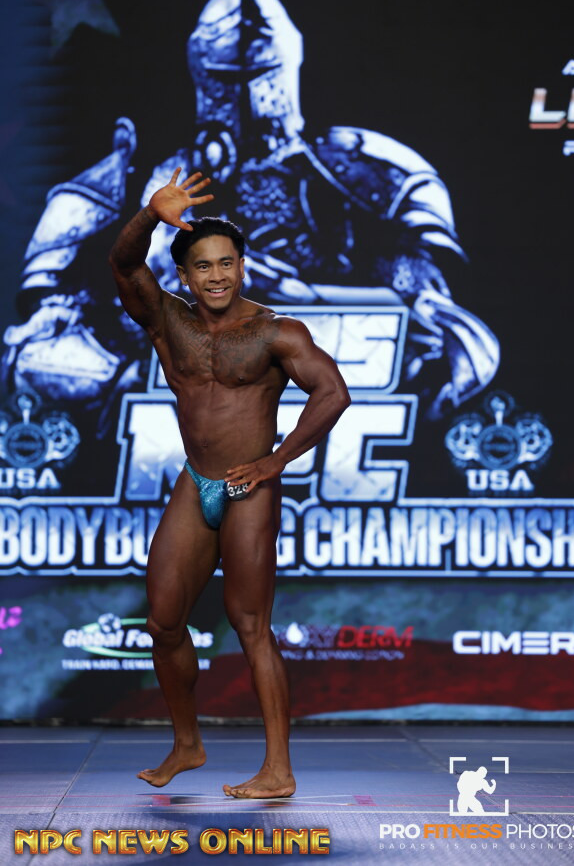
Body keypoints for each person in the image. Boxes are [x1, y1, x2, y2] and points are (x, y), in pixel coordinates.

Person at [108, 167, 351, 799]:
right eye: (203, 267)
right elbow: (124, 262)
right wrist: (149, 214)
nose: (216, 276)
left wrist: (276, 461)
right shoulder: (168, 320)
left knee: (249, 625)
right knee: (163, 621)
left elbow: (333, 392)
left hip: (250, 488)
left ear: (242, 267)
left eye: (226, 264)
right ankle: (188, 744)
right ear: (184, 275)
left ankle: (278, 770)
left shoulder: (276, 332)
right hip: (197, 482)